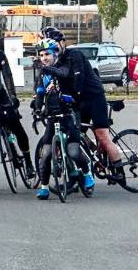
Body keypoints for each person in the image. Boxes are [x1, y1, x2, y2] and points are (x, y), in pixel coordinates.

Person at [41, 26, 125, 184]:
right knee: (75, 135)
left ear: (63, 43)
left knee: (102, 135)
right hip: (77, 100)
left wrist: (73, 98)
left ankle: (119, 171)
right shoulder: (54, 61)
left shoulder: (75, 55)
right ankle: (83, 168)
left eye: (56, 44)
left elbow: (77, 80)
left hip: (93, 97)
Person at [32, 39, 94, 199]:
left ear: (55, 55)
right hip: (52, 116)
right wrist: (37, 110)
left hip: (68, 114)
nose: (44, 58)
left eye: (47, 54)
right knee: (46, 154)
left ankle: (86, 173)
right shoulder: (42, 74)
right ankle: (44, 187)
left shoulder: (64, 65)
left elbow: (64, 74)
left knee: (73, 152)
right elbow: (39, 93)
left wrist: (46, 68)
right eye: (41, 55)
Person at [0, 23, 34, 184]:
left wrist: (13, 97)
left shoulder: (0, 55)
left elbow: (7, 76)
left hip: (0, 96)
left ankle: (28, 162)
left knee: (17, 128)